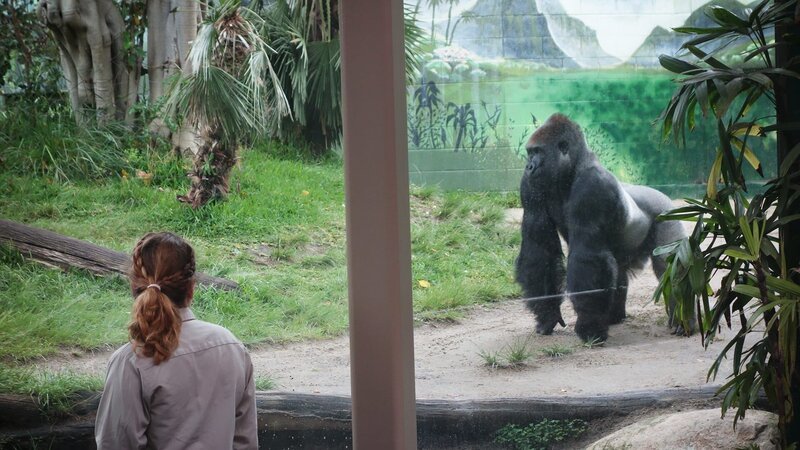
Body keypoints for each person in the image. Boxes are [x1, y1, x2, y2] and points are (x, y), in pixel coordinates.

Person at [95, 232, 258, 450]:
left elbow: (116, 444)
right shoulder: (230, 345)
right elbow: (246, 442)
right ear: (192, 288)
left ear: (134, 286)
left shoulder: (131, 362)